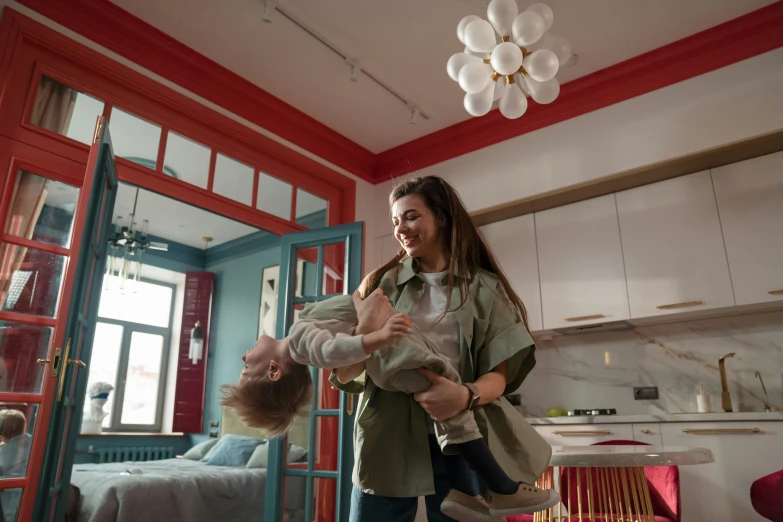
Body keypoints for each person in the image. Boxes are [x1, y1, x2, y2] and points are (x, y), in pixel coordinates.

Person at [225, 176, 554, 521]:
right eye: (396, 221)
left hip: (463, 436)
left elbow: (499, 376)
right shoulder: (379, 283)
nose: (401, 229)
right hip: (384, 438)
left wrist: (465, 396)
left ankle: (500, 489)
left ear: (442, 217)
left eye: (411, 217)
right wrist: (367, 330)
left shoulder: (486, 288)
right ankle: (505, 489)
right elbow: (347, 372)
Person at [222, 289, 557, 521]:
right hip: (395, 359)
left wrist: (363, 307)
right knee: (449, 397)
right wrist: (375, 336)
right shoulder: (299, 341)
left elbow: (352, 315)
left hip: (400, 354)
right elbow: (336, 351)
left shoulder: (302, 325)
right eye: (245, 367)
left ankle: (480, 493)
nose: (242, 356)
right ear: (273, 371)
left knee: (451, 405)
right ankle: (503, 488)